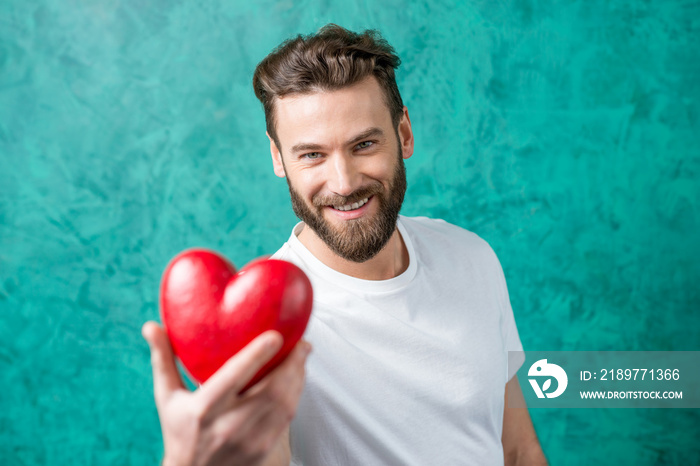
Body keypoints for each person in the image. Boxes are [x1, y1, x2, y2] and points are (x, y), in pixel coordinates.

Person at [142, 24, 547, 466]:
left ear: (404, 134)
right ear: (279, 158)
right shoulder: (260, 327)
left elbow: (519, 451)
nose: (344, 183)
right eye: (312, 154)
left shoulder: (472, 258)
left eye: (365, 144)